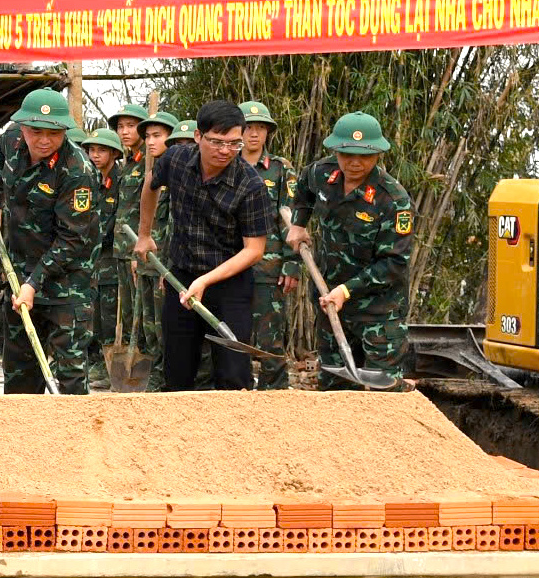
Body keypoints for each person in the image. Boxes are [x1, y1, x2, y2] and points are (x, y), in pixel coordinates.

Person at [133, 99, 274, 392]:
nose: (225, 151)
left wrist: (206, 281)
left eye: (234, 144)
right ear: (198, 137)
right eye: (217, 142)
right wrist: (144, 234)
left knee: (233, 373)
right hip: (181, 277)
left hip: (229, 283)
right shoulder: (176, 160)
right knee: (177, 370)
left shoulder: (250, 186)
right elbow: (151, 184)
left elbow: (254, 250)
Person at [0, 90, 100, 394]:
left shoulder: (78, 171)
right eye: (37, 131)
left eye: (54, 133)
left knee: (70, 376)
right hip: (18, 272)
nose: (45, 140)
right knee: (20, 372)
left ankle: (76, 439)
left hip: (68, 283)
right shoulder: (9, 141)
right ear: (22, 128)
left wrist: (33, 283)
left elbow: (72, 240)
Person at [288, 112, 414, 383]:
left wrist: (346, 291)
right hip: (328, 303)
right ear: (336, 150)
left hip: (378, 313)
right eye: (347, 154)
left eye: (365, 156)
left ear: (379, 154)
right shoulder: (322, 173)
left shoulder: (393, 200)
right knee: (334, 392)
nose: (355, 163)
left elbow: (394, 263)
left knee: (384, 394)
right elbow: (302, 190)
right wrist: (298, 224)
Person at [238, 100, 300, 389]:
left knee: (270, 334)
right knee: (234, 332)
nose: (253, 134)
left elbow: (292, 219)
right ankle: (235, 387)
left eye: (260, 128)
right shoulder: (225, 165)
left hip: (269, 266)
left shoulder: (280, 169)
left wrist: (291, 261)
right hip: (230, 263)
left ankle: (274, 391)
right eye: (248, 128)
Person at [119, 109, 175, 386]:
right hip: (146, 256)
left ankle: (167, 374)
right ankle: (155, 374)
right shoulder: (142, 169)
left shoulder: (177, 172)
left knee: (166, 323)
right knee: (149, 322)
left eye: (158, 136)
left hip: (168, 260)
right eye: (149, 136)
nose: (151, 141)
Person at [82, 126, 126, 366]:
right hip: (92, 258)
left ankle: (106, 361)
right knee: (93, 311)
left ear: (114, 154)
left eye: (101, 151)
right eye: (92, 150)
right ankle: (94, 357)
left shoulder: (120, 182)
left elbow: (117, 222)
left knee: (109, 314)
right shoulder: (91, 180)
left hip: (111, 258)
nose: (95, 155)